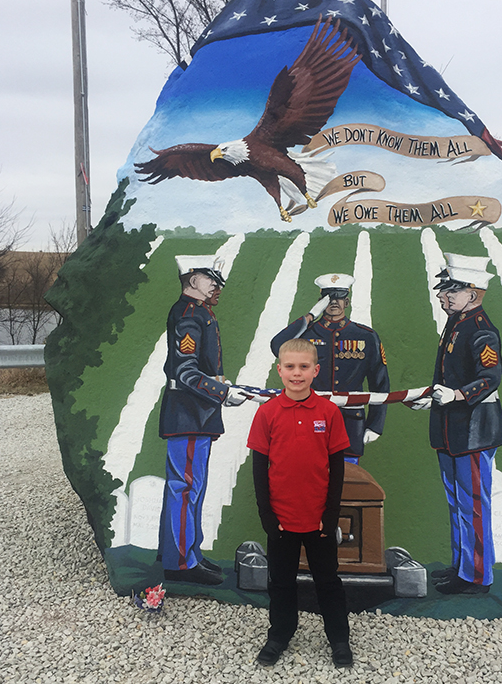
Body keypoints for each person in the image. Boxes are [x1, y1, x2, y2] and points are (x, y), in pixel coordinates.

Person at [247, 338, 353, 668]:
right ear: (279, 371)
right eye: (290, 367)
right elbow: (259, 467)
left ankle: (339, 639)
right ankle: (279, 634)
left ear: (315, 371)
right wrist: (266, 513)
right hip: (281, 519)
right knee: (280, 581)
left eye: (304, 367)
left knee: (328, 581)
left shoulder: (329, 412)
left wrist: (331, 512)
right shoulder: (267, 414)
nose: (297, 373)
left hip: (319, 519)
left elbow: (336, 466)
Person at [411, 253, 502, 595]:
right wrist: (432, 397)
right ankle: (461, 568)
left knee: (474, 505)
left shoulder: (481, 331)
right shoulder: (457, 324)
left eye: (451, 289)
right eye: (444, 289)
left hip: (474, 431)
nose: (442, 295)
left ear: (474, 293)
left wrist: (456, 396)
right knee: (458, 504)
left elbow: (489, 378)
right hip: (453, 432)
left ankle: (478, 576)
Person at [158, 255, 248, 586]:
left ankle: (185, 552)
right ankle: (180, 562)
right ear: (193, 278)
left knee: (190, 487)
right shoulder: (188, 315)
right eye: (211, 278)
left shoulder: (198, 313)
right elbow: (185, 371)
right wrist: (222, 393)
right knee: (186, 488)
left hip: (195, 412)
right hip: (188, 412)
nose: (217, 285)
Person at [270, 273, 389, 462]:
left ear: (347, 301)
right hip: (311, 418)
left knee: (347, 482)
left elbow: (380, 381)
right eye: (329, 298)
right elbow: (278, 346)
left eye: (339, 297)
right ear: (321, 301)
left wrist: (376, 424)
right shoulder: (307, 334)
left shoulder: (366, 336)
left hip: (350, 421)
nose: (334, 302)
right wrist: (310, 316)